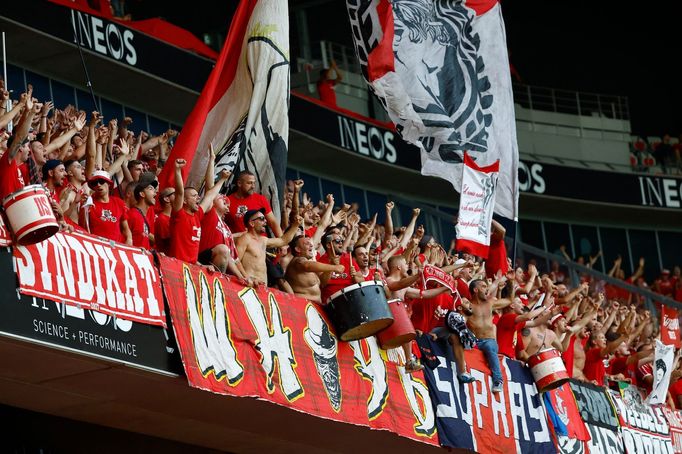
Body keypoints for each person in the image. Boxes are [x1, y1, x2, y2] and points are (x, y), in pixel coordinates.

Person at [169, 159, 230, 264]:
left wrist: (222, 179)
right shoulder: (179, 214)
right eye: (194, 196)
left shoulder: (197, 215)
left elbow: (210, 195)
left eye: (198, 195)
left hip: (192, 267)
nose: (198, 198)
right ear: (184, 200)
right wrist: (178, 171)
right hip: (177, 265)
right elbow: (179, 192)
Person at [236, 209, 302, 286]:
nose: (265, 221)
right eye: (261, 219)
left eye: (265, 218)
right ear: (251, 223)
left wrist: (295, 225)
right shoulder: (245, 239)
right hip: (248, 285)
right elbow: (236, 260)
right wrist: (246, 277)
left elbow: (283, 240)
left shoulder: (264, 240)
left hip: (262, 287)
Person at [467, 278, 511, 393]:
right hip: (473, 341)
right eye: (483, 286)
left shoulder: (490, 303)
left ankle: (498, 380)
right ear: (475, 290)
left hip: (489, 341)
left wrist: (511, 282)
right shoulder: (468, 305)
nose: (486, 289)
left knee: (489, 347)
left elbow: (510, 300)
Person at [285, 235, 345, 303]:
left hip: (314, 307)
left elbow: (323, 282)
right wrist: (334, 267)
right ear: (298, 249)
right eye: (307, 243)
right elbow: (306, 265)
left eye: (310, 243)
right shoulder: (297, 261)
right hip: (301, 305)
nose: (311, 245)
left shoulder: (311, 264)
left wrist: (331, 265)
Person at [430, 298, 478, 383]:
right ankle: (462, 372)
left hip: (446, 337)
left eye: (470, 303)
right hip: (435, 332)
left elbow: (471, 343)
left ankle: (462, 372)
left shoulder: (465, 326)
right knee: (455, 335)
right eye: (467, 303)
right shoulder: (454, 315)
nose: (470, 305)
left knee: (456, 336)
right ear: (459, 308)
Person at [80, 170, 131, 245]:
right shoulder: (88, 203)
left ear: (109, 184)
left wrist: (129, 241)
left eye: (101, 181)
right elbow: (83, 228)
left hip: (116, 248)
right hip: (98, 248)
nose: (98, 185)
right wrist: (84, 208)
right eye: (95, 183)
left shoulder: (119, 202)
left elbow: (126, 229)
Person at [226, 171, 282, 237]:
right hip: (237, 244)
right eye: (249, 183)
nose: (253, 186)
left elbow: (273, 223)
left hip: (260, 244)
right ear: (239, 183)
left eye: (254, 183)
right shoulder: (227, 201)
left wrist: (282, 243)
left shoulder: (261, 199)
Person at [128, 179, 157, 249]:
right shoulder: (132, 214)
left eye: (154, 190)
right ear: (142, 194)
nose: (155, 192)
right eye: (150, 189)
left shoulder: (145, 217)